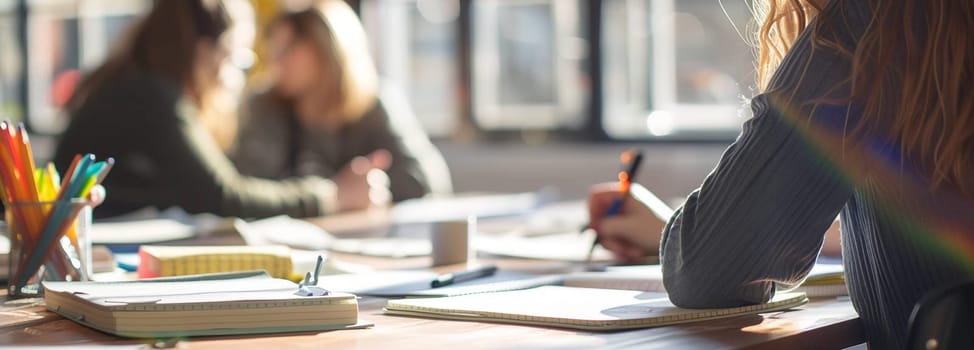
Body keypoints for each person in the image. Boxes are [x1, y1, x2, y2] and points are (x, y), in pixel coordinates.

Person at [587, 0, 974, 348]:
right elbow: (933, 228)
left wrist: (696, 236)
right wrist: (663, 230)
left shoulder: (879, 20)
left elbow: (704, 272)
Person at [54, 0, 388, 219]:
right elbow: (223, 195)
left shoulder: (138, 85)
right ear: (206, 52)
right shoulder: (152, 97)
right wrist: (330, 195)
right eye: (235, 57)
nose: (235, 77)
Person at [233, 0, 452, 203]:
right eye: (273, 49)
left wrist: (375, 187)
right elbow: (248, 188)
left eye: (288, 49)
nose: (275, 62)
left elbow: (427, 181)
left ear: (327, 50)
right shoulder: (264, 106)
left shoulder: (374, 103)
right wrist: (336, 194)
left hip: (362, 232)